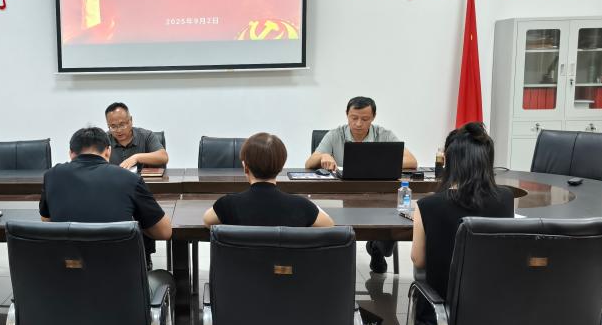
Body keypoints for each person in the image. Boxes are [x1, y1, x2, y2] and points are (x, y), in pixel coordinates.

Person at [40, 126, 173, 286]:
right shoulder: (129, 179)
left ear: (71, 153)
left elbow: (47, 223)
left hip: (67, 282)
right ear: (108, 151)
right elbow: (164, 232)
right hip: (120, 286)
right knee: (165, 278)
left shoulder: (51, 176)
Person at [306, 96, 418, 273]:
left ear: (373, 117)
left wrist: (376, 162)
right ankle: (339, 257)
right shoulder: (335, 134)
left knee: (395, 216)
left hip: (379, 195)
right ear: (347, 115)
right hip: (342, 196)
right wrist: (323, 156)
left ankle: (377, 248)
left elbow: (412, 161)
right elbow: (309, 163)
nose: (358, 123)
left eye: (365, 119)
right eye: (354, 118)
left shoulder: (384, 134)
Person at [410, 122, 514, 305]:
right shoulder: (506, 198)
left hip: (442, 308)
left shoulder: (427, 205)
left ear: (450, 162)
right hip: (494, 307)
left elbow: (418, 261)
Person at [203, 133, 334, 228]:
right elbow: (329, 225)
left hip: (243, 260)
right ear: (281, 167)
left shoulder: (227, 205)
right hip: (283, 260)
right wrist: (312, 206)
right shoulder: (302, 206)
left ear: (245, 168)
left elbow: (207, 220)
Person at [105, 102, 168, 170]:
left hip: (141, 177)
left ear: (131, 120)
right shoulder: (104, 139)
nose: (119, 130)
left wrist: (137, 157)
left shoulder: (146, 136)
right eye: (113, 126)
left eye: (122, 125)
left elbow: (163, 157)